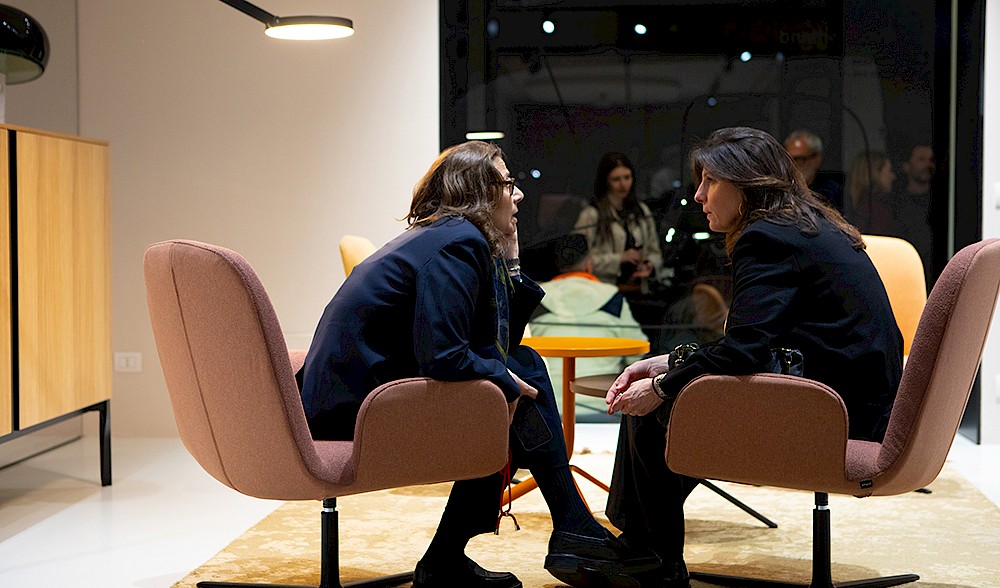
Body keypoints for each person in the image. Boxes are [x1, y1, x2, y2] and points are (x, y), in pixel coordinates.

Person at [299, 141, 657, 588]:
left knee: (516, 373)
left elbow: (498, 345)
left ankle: (501, 544)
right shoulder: (457, 243)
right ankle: (566, 526)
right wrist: (503, 379)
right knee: (517, 378)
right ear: (479, 193)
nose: (519, 194)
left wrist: (511, 258)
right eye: (508, 184)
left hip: (354, 397)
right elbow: (445, 354)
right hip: (355, 411)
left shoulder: (446, 235)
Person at [602, 127, 903, 588]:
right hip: (860, 404)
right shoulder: (805, 223)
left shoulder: (765, 237)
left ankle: (652, 561)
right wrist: (666, 363)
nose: (699, 195)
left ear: (747, 184)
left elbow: (743, 351)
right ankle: (642, 548)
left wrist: (662, 385)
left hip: (835, 417)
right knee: (672, 403)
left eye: (710, 181)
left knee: (657, 412)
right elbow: (757, 344)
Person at [529, 233, 647, 419]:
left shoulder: (536, 298)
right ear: (589, 264)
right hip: (604, 406)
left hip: (549, 409)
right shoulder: (612, 298)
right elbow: (638, 357)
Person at [573, 152, 663, 292]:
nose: (623, 184)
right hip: (603, 291)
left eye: (627, 177)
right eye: (616, 179)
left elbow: (654, 251)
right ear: (606, 181)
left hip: (638, 289)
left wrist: (649, 265)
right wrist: (620, 258)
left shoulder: (641, 211)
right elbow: (579, 262)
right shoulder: (591, 215)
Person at [891, 144, 935, 285]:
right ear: (906, 166)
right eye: (921, 159)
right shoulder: (895, 204)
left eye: (931, 160)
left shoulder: (942, 203)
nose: (928, 165)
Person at [783, 129, 844, 209]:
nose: (792, 165)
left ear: (816, 160)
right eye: (788, 160)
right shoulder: (782, 190)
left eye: (798, 159)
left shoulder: (831, 191)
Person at [843, 150, 896, 235]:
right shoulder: (874, 210)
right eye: (889, 171)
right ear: (875, 173)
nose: (893, 177)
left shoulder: (859, 205)